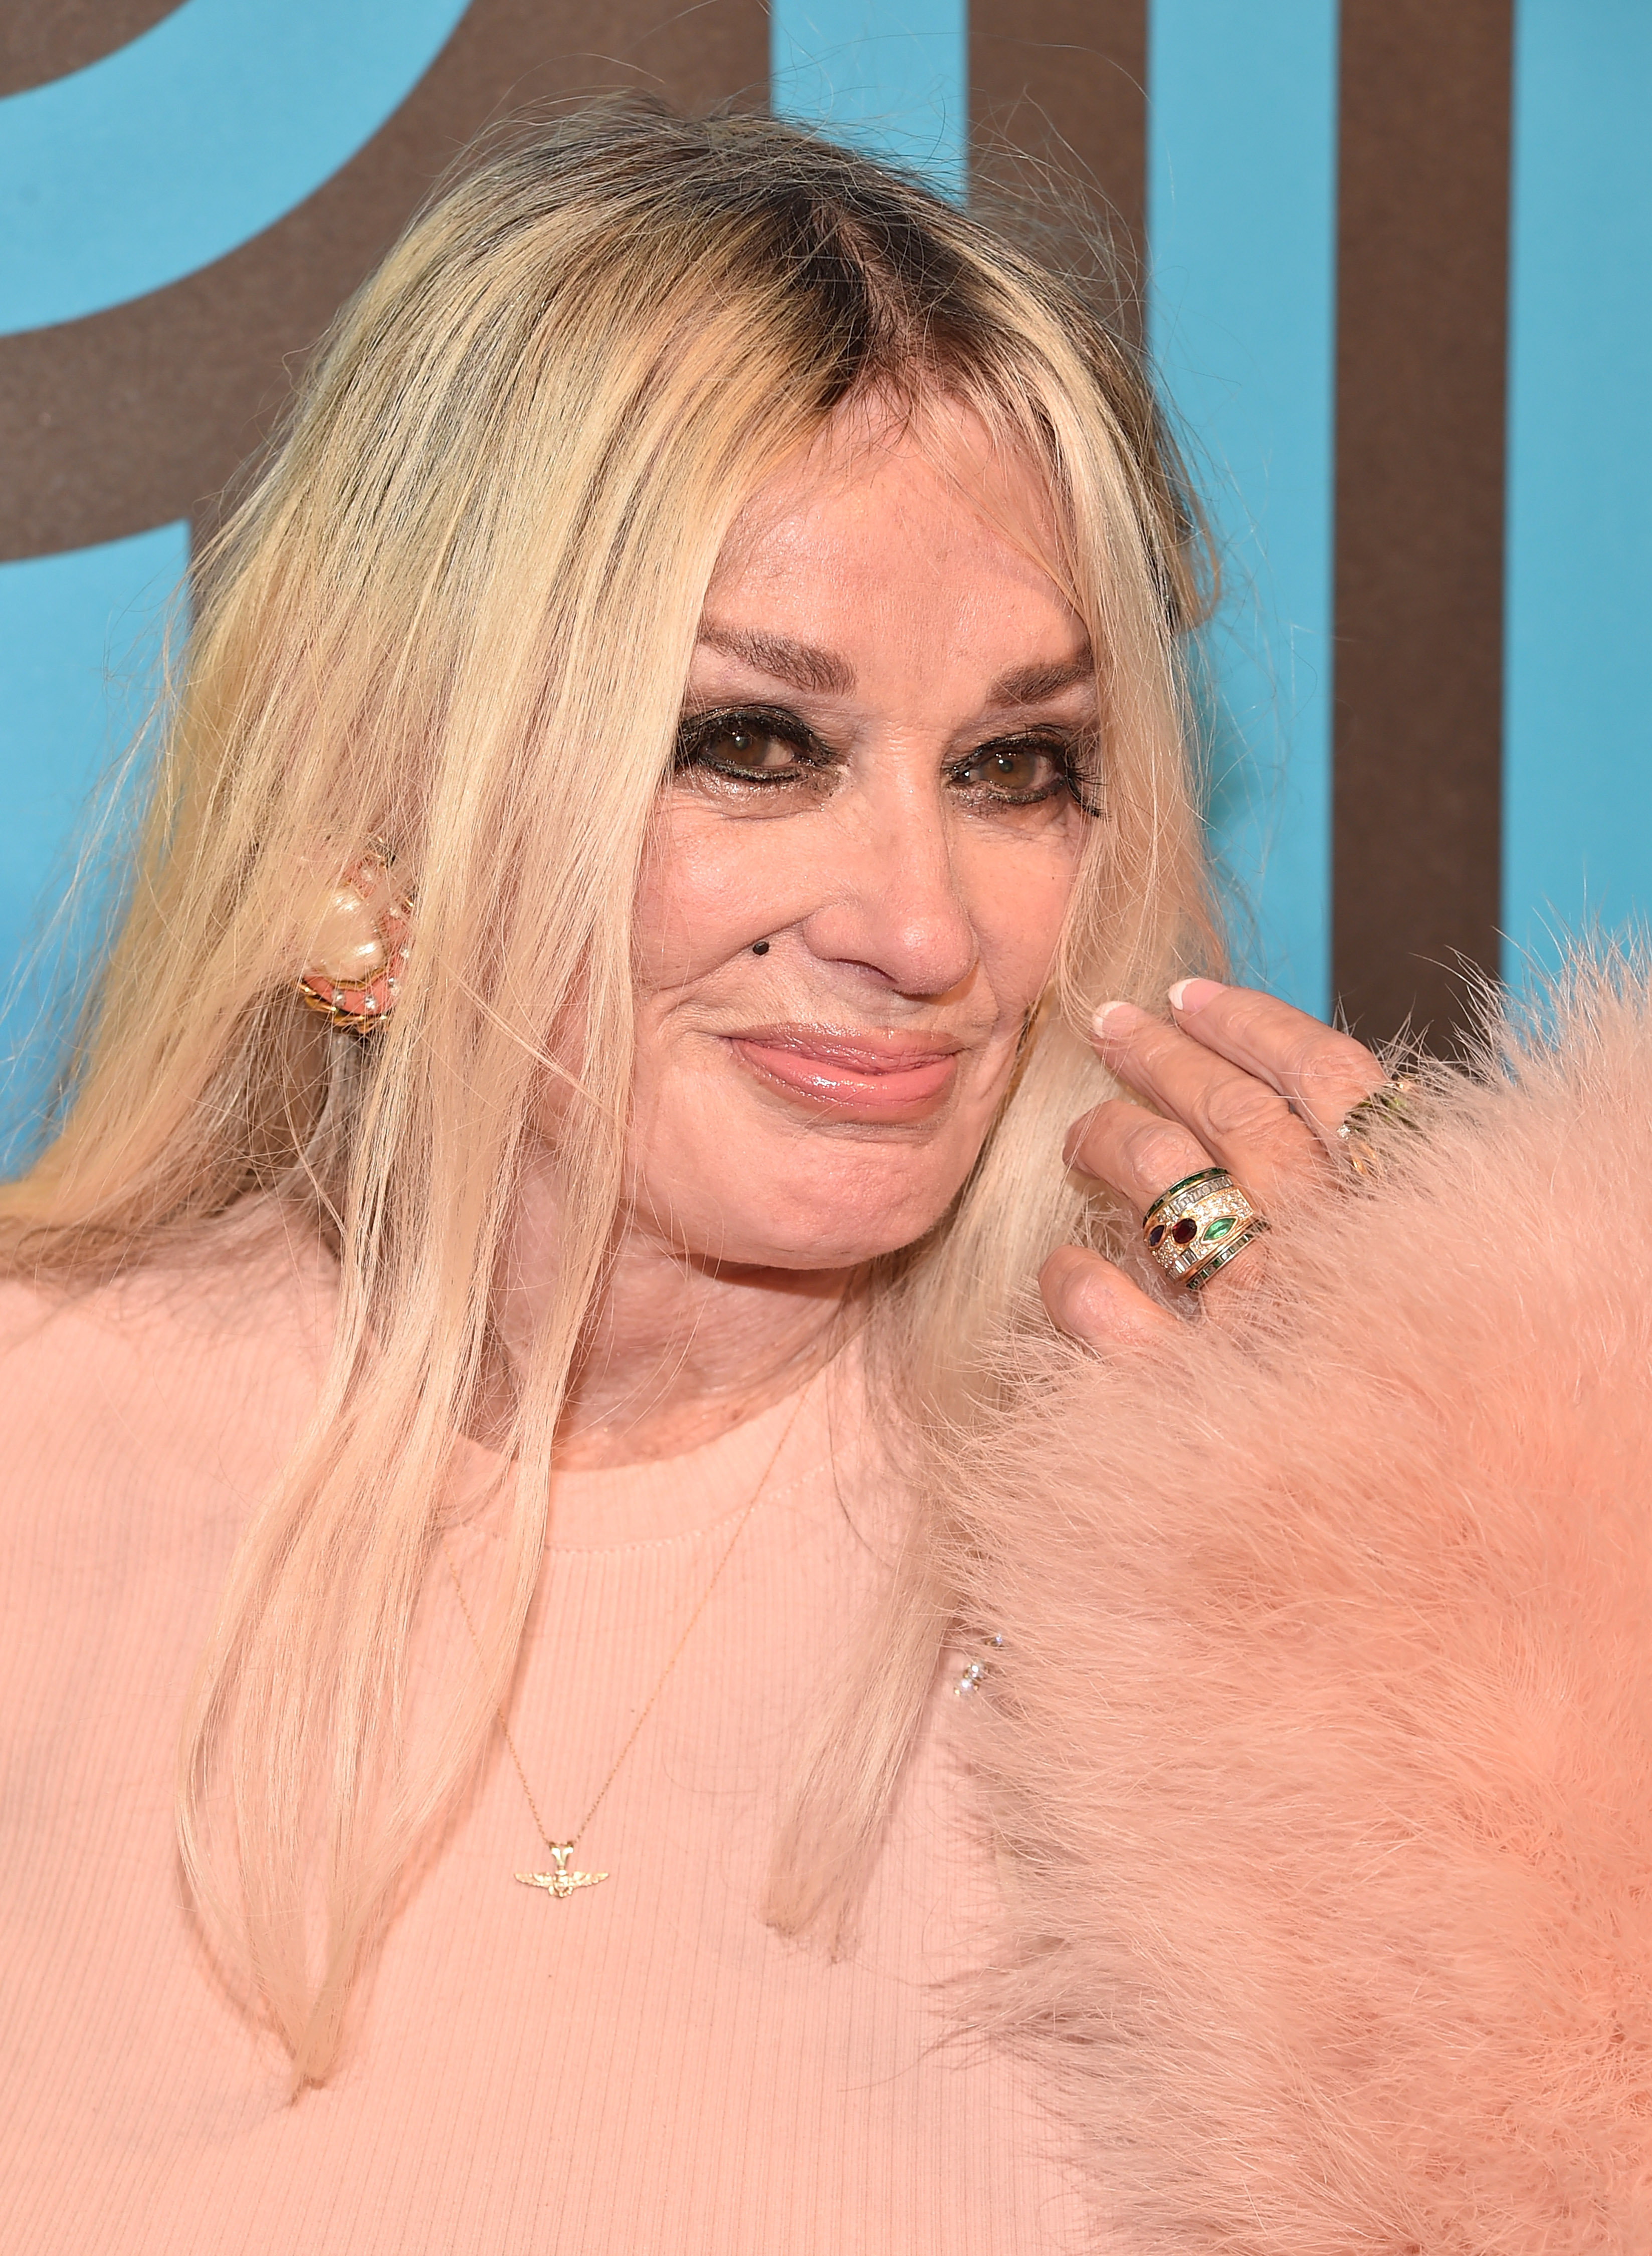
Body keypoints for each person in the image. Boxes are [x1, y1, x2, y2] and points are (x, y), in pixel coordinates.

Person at [1, 106, 1646, 2256]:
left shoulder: (1221, 1521)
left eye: (1013, 768)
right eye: (749, 745)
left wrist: (1471, 1491)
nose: (925, 926)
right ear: (389, 783)